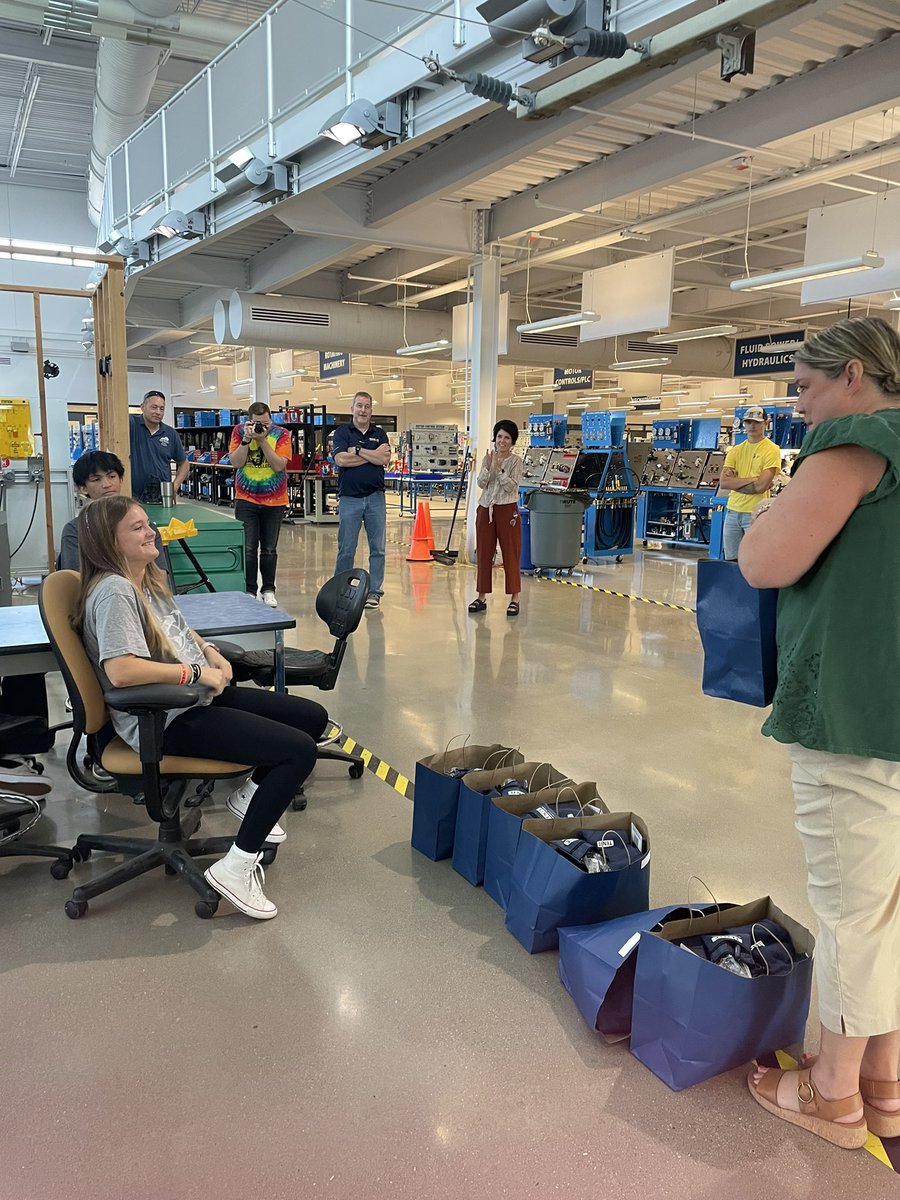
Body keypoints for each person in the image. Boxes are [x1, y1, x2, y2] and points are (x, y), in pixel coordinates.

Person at [739, 316, 900, 1150]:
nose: (797, 405)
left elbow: (764, 561)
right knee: (891, 908)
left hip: (854, 711)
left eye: (805, 386)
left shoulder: (853, 444)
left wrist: (766, 515)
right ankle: (885, 1079)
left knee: (851, 913)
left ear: (854, 375)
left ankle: (832, 1093)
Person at [73, 494, 329, 920]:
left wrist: (209, 651)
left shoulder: (144, 578)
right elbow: (121, 670)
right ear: (109, 541)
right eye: (137, 528)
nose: (150, 532)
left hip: (192, 699)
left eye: (147, 523)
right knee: (297, 751)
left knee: (311, 718)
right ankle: (236, 868)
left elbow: (176, 628)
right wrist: (193, 673)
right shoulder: (114, 591)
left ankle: (251, 796)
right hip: (164, 716)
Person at [228, 402, 290, 606]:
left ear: (271, 419)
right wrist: (246, 440)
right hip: (246, 499)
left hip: (275, 500)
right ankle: (249, 590)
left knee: (269, 549)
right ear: (249, 421)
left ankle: (269, 589)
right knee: (248, 548)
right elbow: (236, 462)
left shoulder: (281, 434)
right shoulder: (239, 432)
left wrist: (262, 441)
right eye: (257, 423)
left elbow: (279, 465)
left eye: (265, 423)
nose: (261, 426)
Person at [332, 391, 390, 610]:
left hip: (376, 498)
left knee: (378, 549)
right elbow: (341, 460)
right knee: (346, 548)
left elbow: (384, 459)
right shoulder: (342, 432)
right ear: (352, 409)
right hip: (350, 498)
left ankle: (374, 592)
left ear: (371, 410)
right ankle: (341, 590)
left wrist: (357, 451)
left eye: (367, 406)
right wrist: (372, 455)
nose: (363, 410)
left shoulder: (380, 433)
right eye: (359, 406)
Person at [59, 451, 163, 571]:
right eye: (96, 479)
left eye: (112, 476)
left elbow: (160, 575)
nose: (107, 484)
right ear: (83, 488)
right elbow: (75, 577)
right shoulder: (76, 530)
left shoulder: (146, 528)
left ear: (121, 479)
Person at [469, 419, 523, 617]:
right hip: (486, 508)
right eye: (499, 436)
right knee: (484, 553)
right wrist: (486, 467)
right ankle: (481, 596)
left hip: (507, 509)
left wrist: (500, 469)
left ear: (512, 441)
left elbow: (511, 486)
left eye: (507, 437)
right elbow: (481, 483)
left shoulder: (516, 461)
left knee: (510, 553)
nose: (502, 441)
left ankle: (515, 598)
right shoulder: (488, 458)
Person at [719, 406, 782, 560]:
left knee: (754, 560)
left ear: (765, 423)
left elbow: (761, 487)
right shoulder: (736, 450)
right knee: (731, 560)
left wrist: (736, 483)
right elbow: (724, 483)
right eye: (748, 422)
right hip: (732, 512)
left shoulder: (772, 450)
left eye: (757, 422)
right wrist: (754, 479)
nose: (752, 426)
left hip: (754, 514)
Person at [129, 390, 189, 503]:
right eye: (154, 407)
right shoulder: (131, 425)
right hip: (133, 497)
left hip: (161, 498)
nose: (158, 412)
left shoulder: (170, 433)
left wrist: (175, 485)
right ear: (142, 407)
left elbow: (184, 463)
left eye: (162, 409)